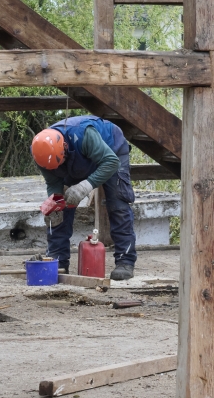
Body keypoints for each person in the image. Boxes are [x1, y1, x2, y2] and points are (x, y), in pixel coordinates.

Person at [31, 115, 137, 280]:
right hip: (76, 161)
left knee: (117, 202)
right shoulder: (41, 154)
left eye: (60, 162)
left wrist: (85, 186)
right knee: (59, 209)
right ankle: (58, 262)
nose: (58, 167)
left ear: (65, 147)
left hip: (111, 151)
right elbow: (53, 182)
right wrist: (54, 202)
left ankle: (125, 261)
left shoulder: (84, 135)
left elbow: (111, 162)